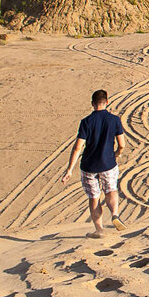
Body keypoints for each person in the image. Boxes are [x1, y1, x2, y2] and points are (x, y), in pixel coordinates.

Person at [61, 89, 126, 237]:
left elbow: (78, 147)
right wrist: (118, 154)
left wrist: (69, 170)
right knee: (111, 190)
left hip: (89, 166)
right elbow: (121, 144)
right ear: (107, 102)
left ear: (92, 104)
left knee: (94, 197)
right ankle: (115, 214)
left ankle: (99, 230)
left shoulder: (86, 122)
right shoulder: (114, 120)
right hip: (108, 164)